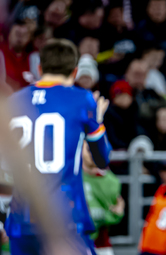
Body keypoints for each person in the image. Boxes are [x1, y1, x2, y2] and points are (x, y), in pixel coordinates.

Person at [5, 38, 112, 254]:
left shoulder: (12, 102)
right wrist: (98, 123)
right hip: (65, 217)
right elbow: (102, 159)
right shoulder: (83, 100)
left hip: (20, 218)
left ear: (39, 68)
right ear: (74, 73)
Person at [82, 141, 125, 255]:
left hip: (101, 243)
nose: (93, 154)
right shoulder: (71, 177)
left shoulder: (111, 182)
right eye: (89, 149)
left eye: (97, 150)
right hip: (74, 241)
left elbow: (115, 215)